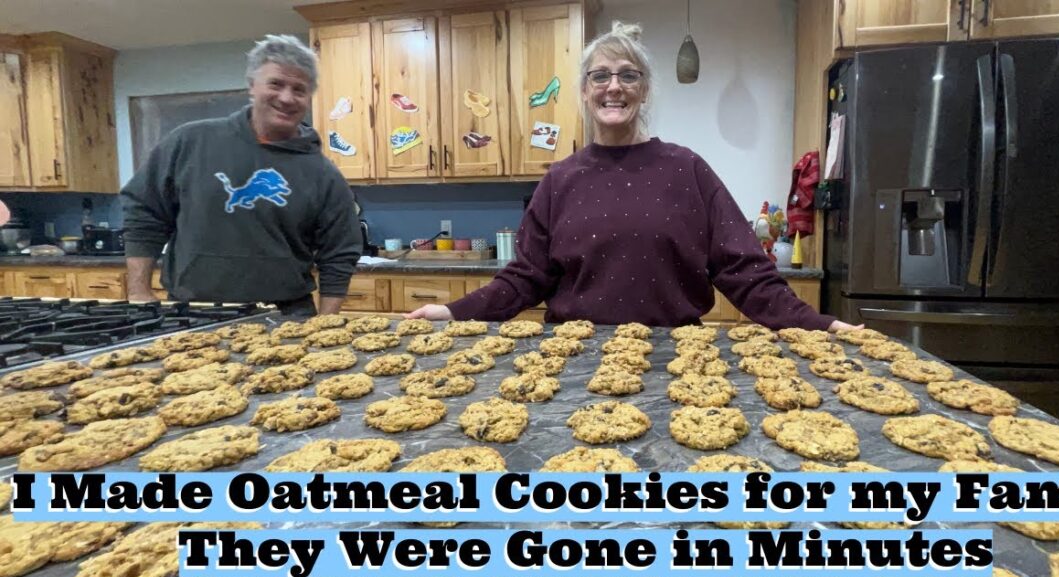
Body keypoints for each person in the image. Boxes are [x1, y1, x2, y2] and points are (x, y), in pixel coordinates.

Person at [407, 22, 857, 331]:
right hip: (571, 361)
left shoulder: (688, 170)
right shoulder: (560, 180)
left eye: (628, 75)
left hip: (677, 360)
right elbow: (525, 278)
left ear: (644, 90)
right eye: (599, 76)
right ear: (585, 91)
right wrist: (453, 311)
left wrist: (818, 323)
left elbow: (744, 272)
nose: (613, 86)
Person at [122, 34, 362, 316]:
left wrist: (325, 323)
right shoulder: (190, 142)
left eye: (299, 89)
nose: (286, 98)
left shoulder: (324, 174)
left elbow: (340, 252)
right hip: (192, 312)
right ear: (251, 86)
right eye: (276, 84)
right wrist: (138, 291)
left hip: (286, 315)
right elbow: (144, 211)